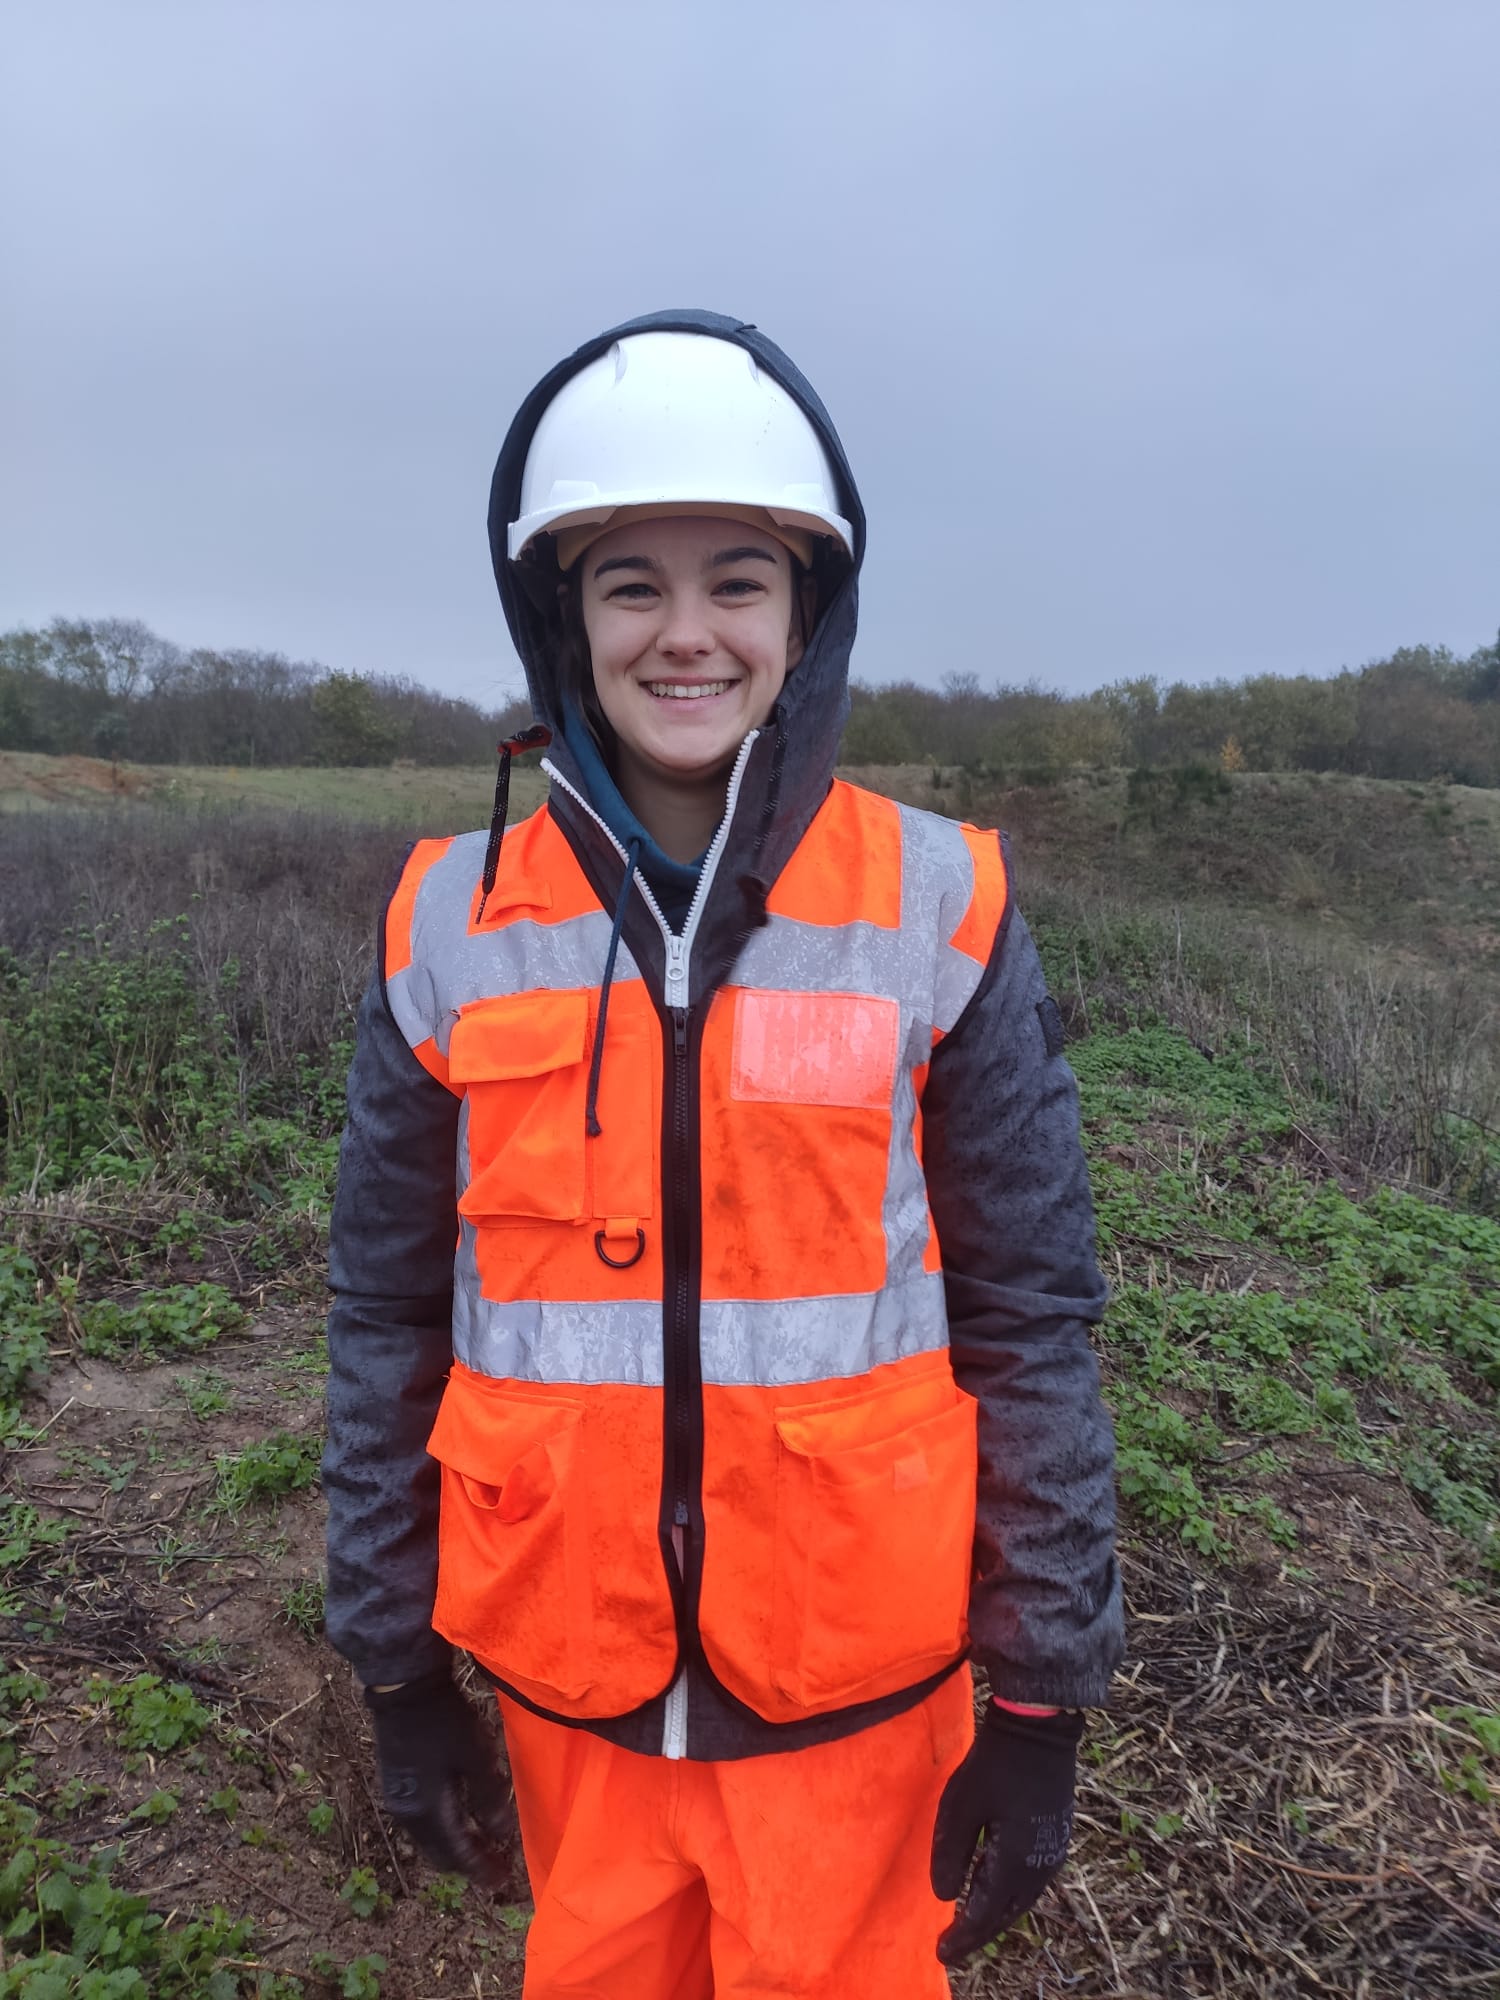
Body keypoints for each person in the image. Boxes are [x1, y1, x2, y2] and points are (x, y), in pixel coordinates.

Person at [323, 308, 1123, 1998]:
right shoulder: (445, 921)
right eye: (633, 585)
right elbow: (384, 1319)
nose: (687, 636)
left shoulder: (940, 904)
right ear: (561, 617)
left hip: (857, 1715)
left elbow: (1032, 1315)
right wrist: (397, 1669)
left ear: (808, 611)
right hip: (572, 1706)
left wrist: (1044, 1694)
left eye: (738, 580)